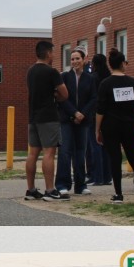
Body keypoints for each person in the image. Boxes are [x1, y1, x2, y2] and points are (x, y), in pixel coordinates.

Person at [95, 48, 134, 204]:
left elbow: (100, 109)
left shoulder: (105, 84)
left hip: (110, 126)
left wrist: (97, 129)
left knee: (115, 159)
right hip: (128, 125)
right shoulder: (132, 83)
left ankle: (118, 194)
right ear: (123, 63)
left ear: (110, 65)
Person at [25, 41, 69, 201]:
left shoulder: (30, 71)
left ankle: (31, 189)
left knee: (32, 154)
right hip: (49, 117)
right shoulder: (52, 72)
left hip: (33, 117)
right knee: (49, 153)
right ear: (48, 53)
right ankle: (50, 190)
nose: (54, 55)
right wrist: (55, 95)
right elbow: (65, 94)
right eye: (53, 52)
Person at [56, 48, 97, 196]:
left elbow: (94, 98)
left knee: (80, 152)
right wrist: (74, 113)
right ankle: (62, 184)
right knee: (65, 151)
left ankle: (80, 185)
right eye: (72, 59)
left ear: (84, 60)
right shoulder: (65, 77)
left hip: (83, 121)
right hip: (66, 120)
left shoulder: (90, 78)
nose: (75, 61)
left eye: (77, 58)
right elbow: (61, 98)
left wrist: (83, 114)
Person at [86, 53, 112, 186]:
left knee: (94, 145)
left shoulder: (92, 78)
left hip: (94, 114)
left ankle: (97, 177)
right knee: (105, 146)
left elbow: (90, 96)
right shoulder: (109, 77)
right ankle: (107, 176)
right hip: (108, 115)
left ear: (94, 64)